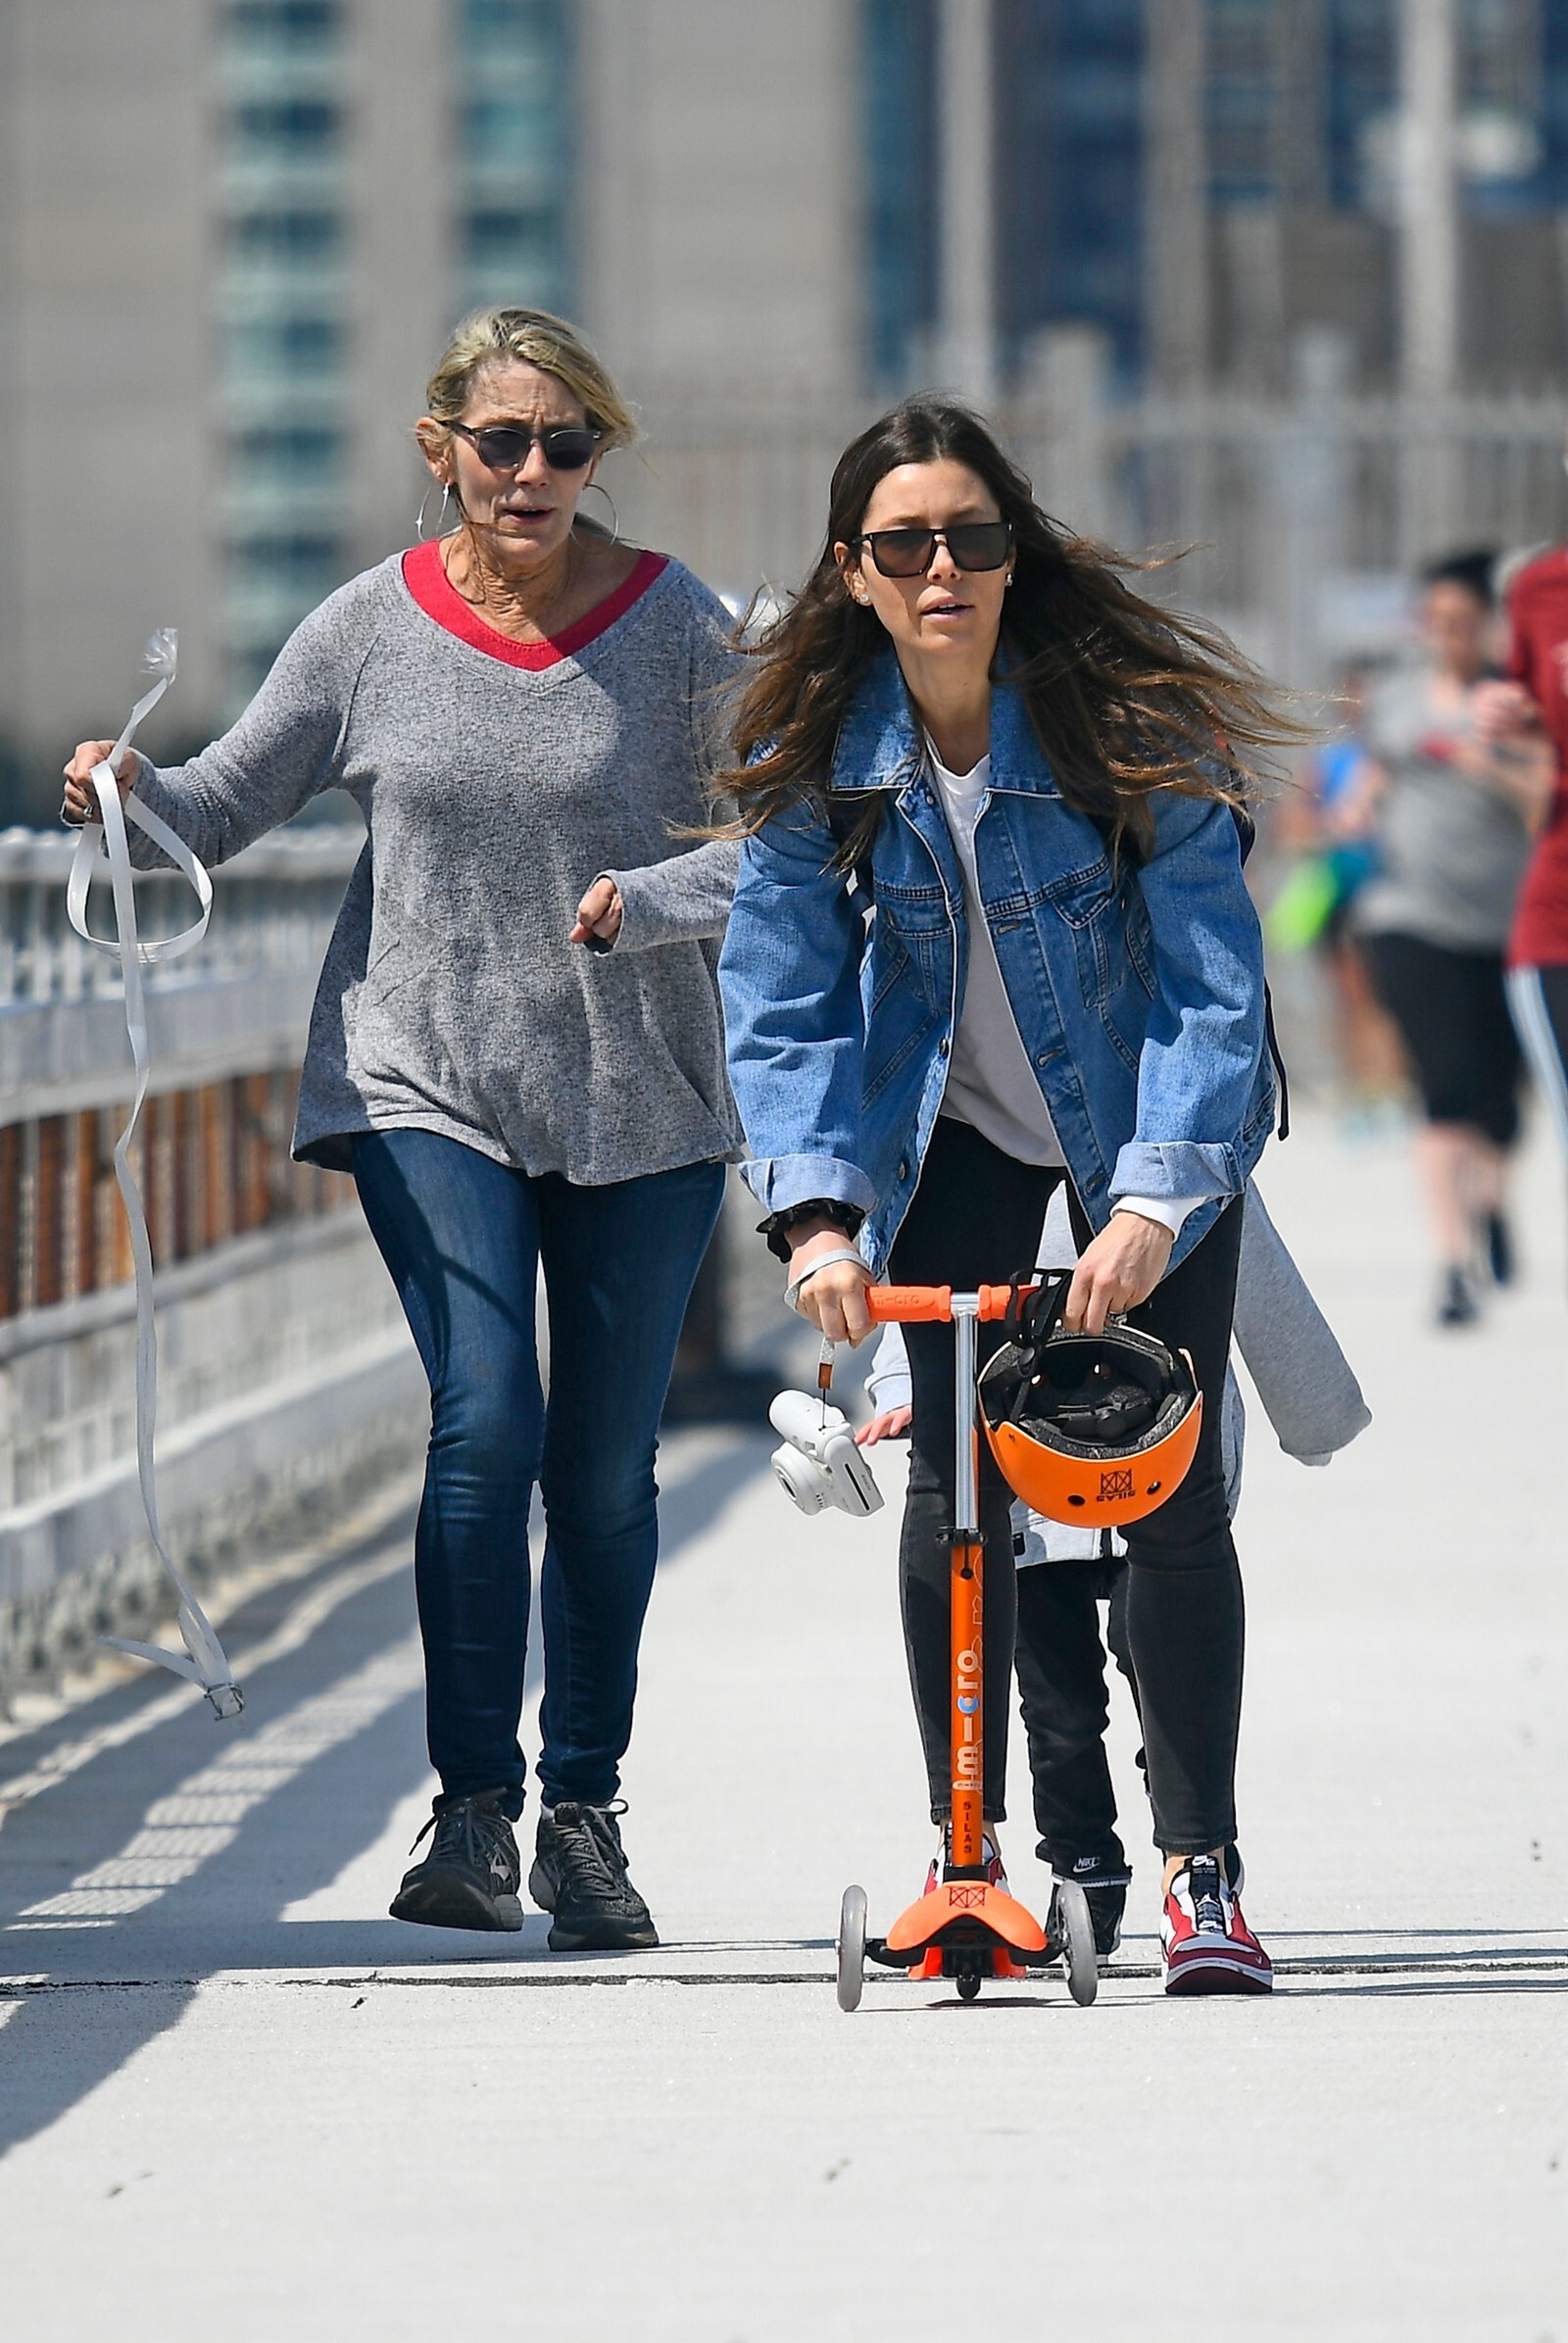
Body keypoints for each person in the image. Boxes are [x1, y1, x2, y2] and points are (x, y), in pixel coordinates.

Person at [63, 306, 742, 1950]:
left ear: (597, 455)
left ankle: (583, 1812)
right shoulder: (367, 627)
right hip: (420, 1077)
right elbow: (222, 804)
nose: (532, 470)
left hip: (641, 1092)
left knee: (602, 1469)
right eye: (501, 441)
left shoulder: (683, 629)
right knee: (486, 1418)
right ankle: (473, 1809)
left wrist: (649, 899)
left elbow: (783, 847)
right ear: (439, 449)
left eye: (567, 442)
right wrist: (124, 794)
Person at [717, 395, 1300, 1996]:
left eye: (971, 538)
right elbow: (779, 993)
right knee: (957, 1483)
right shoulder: (821, 761)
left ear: (1013, 554)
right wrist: (817, 1214)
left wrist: (1156, 1201)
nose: (942, 570)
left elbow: (1210, 976)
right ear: (853, 570)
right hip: (955, 1133)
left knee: (1162, 1486)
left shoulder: (1127, 724)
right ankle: (966, 1853)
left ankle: (1201, 1871)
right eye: (903, 544)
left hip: (1140, 1128)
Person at [858, 1179, 1369, 1959]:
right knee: (1056, 1705)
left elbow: (1257, 1279)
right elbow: (940, 1292)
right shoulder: (988, 1152)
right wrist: (907, 1391)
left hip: (1158, 1465)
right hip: (1035, 1493)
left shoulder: (1171, 1170)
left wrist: (1314, 1414)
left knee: (1160, 1669)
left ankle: (1193, 1848)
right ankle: (1083, 1862)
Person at [1354, 553, 1551, 1326]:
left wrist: (1490, 765)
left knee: (1501, 1104)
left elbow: (1545, 803)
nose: (1450, 635)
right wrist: (1354, 807)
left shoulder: (1514, 702)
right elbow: (1375, 775)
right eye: (1437, 622)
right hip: (1411, 917)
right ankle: (1452, 1264)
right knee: (1444, 1091)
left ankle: (1491, 1202)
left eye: (1464, 622)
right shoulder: (1398, 698)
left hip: (1506, 928)